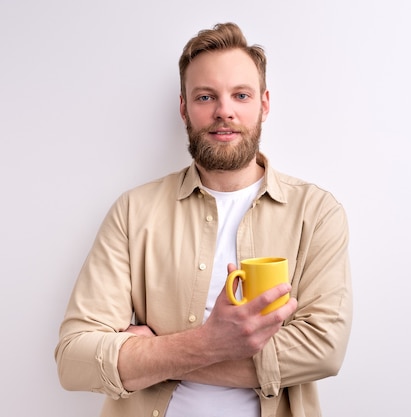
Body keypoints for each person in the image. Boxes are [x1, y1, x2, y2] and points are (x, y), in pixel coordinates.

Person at [55, 22, 352, 417]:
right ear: (184, 108)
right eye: (206, 96)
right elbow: (74, 359)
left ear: (264, 104)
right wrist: (209, 343)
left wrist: (152, 356)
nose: (224, 111)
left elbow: (323, 351)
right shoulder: (133, 211)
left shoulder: (316, 214)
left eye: (240, 95)